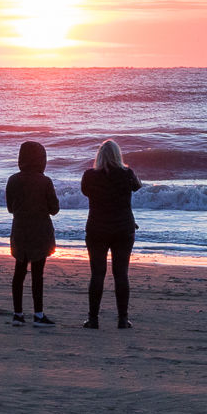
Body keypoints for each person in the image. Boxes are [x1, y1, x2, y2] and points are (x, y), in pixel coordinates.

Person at [81, 139, 141, 329]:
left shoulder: (90, 176)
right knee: (121, 273)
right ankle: (123, 319)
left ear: (99, 156)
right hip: (123, 228)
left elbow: (85, 191)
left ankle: (93, 319)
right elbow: (138, 185)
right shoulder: (127, 174)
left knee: (97, 273)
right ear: (118, 156)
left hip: (97, 228)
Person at [5, 140, 60, 327]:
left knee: (19, 272)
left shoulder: (13, 180)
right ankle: (38, 315)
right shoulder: (45, 181)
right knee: (38, 273)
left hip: (20, 229)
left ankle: (18, 314)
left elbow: (9, 208)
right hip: (40, 231)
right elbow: (54, 209)